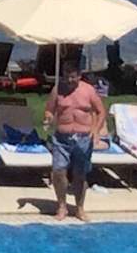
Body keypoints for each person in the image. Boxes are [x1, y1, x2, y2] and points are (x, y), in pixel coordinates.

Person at [45, 66, 106, 222]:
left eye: (72, 77)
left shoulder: (88, 90)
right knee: (58, 171)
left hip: (83, 138)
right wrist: (48, 118)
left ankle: (79, 208)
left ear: (79, 76)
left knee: (80, 174)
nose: (69, 80)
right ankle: (62, 206)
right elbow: (49, 110)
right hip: (62, 139)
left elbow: (101, 111)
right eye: (66, 76)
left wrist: (96, 130)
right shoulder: (57, 90)